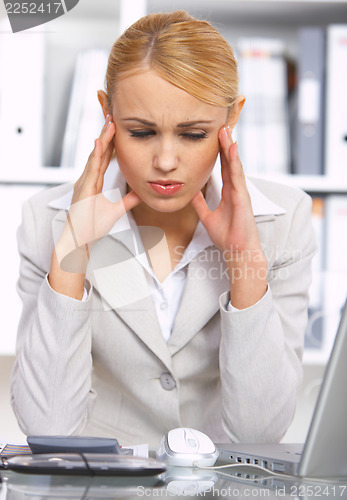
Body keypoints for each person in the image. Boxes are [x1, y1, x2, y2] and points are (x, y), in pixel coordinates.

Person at [11, 11, 316, 449]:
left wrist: (244, 261)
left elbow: (259, 433)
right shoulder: (47, 219)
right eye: (141, 132)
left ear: (232, 119)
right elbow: (48, 429)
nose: (166, 160)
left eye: (193, 134)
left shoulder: (285, 220)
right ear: (107, 114)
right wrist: (73, 250)